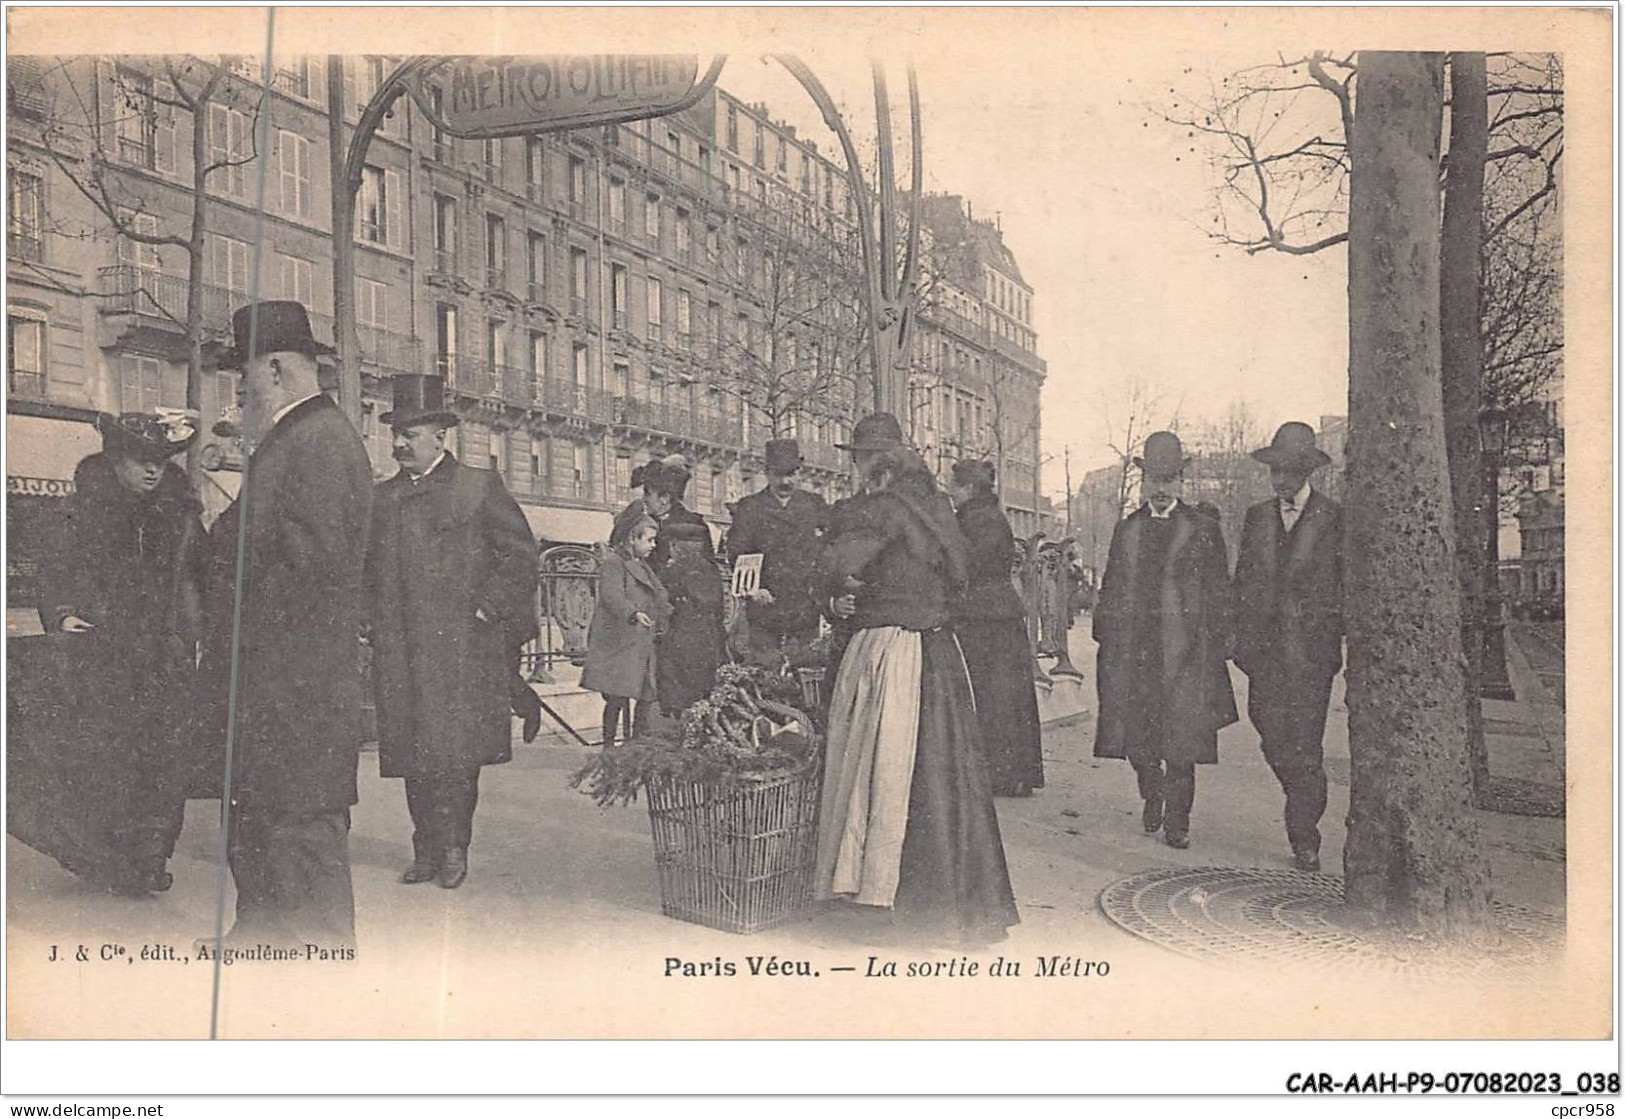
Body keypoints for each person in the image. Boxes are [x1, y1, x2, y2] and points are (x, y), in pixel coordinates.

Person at [200, 301, 373, 949]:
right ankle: (261, 934)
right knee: (265, 815)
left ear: (274, 369)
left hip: (295, 682)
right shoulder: (295, 441)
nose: (238, 390)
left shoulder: (318, 443)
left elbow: (314, 571)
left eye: (243, 376)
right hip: (276, 681)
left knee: (301, 824)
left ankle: (317, 972)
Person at [814, 413, 1019, 945]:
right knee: (942, 780)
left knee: (883, 773)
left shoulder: (881, 510)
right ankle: (950, 905)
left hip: (891, 650)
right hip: (938, 655)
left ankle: (881, 896)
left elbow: (837, 565)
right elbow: (957, 575)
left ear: (873, 464)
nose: (855, 470)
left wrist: (835, 588)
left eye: (857, 460)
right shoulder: (936, 507)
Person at [18, 410, 207, 896]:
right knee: (109, 758)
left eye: (161, 463)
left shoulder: (181, 517)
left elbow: (205, 577)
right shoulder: (79, 513)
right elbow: (54, 571)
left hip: (165, 657)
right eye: (141, 461)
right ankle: (111, 855)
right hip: (102, 655)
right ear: (115, 459)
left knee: (164, 761)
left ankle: (151, 858)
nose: (152, 471)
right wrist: (62, 615)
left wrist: (193, 633)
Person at [365, 374, 539, 890]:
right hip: (401, 646)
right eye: (396, 434)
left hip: (462, 650)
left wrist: (489, 610)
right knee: (412, 752)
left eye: (411, 434)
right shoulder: (384, 497)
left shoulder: (477, 486)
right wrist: (367, 620)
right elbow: (366, 569)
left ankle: (454, 846)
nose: (400, 443)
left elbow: (520, 558)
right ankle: (425, 848)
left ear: (441, 436)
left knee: (457, 755)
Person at [1093, 430, 1237, 850]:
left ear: (1180, 482)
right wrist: (1105, 632)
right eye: (1153, 480)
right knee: (1137, 739)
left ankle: (1178, 819)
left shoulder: (1202, 529)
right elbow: (1111, 583)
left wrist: (1217, 641)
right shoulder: (1128, 529)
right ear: (1143, 482)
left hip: (1184, 650)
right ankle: (1151, 792)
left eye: (1168, 480)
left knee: (1181, 742)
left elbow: (1219, 590)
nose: (1160, 489)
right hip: (1134, 650)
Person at [1233, 422, 1344, 872]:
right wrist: (1238, 635)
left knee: (1306, 743)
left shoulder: (1333, 517)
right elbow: (1243, 579)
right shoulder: (1257, 517)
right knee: (1268, 729)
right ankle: (1303, 793)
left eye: (1289, 471)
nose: (1280, 479)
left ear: (1306, 472)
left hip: (1311, 656)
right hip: (1264, 653)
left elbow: (1343, 582)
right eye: (1275, 471)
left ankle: (1305, 835)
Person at [948, 459, 1045, 797]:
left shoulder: (975, 520)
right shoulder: (991, 517)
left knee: (990, 697)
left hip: (983, 617)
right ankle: (1012, 773)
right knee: (1007, 697)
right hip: (999, 616)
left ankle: (997, 774)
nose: (950, 491)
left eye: (954, 486)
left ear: (969, 488)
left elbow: (965, 565)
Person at [725, 438, 830, 663]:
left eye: (791, 474)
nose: (785, 481)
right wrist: (754, 588)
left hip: (804, 607)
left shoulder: (814, 505)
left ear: (799, 472)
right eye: (778, 475)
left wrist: (819, 586)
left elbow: (829, 546)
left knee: (805, 671)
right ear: (766, 473)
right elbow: (736, 553)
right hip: (766, 606)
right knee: (766, 673)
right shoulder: (750, 507)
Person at [581, 513, 671, 746]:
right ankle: (609, 746)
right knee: (617, 696)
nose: (653, 545)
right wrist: (633, 613)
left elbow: (659, 593)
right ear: (633, 538)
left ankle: (636, 742)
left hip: (639, 641)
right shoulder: (613, 563)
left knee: (647, 692)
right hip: (618, 643)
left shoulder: (641, 564)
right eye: (649, 540)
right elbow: (611, 596)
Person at [657, 520, 727, 715]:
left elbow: (661, 597)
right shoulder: (711, 569)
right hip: (709, 635)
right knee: (702, 685)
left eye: (672, 544)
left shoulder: (673, 570)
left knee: (676, 681)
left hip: (681, 633)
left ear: (677, 546)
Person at [612, 454, 713, 575]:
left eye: (648, 494)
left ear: (664, 499)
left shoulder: (691, 525)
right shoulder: (643, 521)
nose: (644, 499)